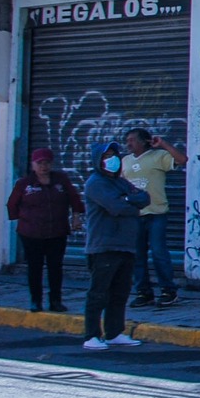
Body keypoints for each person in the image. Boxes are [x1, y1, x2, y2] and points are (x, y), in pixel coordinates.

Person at [82, 143, 149, 352]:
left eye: (114, 155)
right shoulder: (95, 183)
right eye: (106, 156)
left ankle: (114, 332)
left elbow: (144, 198)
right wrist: (130, 204)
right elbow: (115, 207)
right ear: (98, 160)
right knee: (98, 293)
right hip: (104, 246)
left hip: (126, 245)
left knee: (120, 292)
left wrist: (128, 199)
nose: (111, 160)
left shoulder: (120, 183)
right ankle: (92, 335)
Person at [6, 148, 82, 312]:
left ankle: (55, 301)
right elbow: (12, 205)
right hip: (31, 234)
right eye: (39, 163)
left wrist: (76, 217)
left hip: (57, 232)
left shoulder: (60, 181)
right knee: (35, 268)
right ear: (33, 165)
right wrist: (25, 220)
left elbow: (75, 199)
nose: (43, 166)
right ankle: (36, 301)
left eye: (46, 162)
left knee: (55, 267)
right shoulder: (24, 184)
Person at [121, 126, 187, 307]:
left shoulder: (158, 156)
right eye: (127, 140)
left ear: (144, 141)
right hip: (134, 216)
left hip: (156, 213)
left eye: (132, 140)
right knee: (137, 256)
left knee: (159, 253)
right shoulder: (125, 161)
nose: (128, 144)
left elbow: (182, 160)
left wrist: (163, 144)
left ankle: (168, 290)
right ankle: (144, 292)